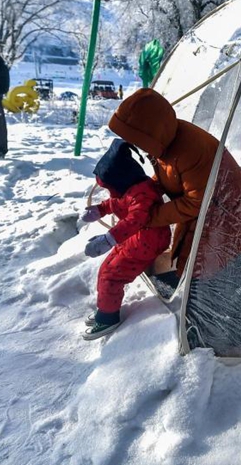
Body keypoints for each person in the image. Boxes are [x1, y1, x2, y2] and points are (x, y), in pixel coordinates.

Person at [107, 88, 241, 283]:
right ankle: (194, 286)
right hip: (204, 201)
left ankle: (205, 297)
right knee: (190, 251)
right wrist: (145, 195)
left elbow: (195, 202)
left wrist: (149, 216)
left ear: (148, 131)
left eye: (135, 138)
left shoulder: (189, 151)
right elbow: (169, 176)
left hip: (222, 203)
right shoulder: (163, 139)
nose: (134, 144)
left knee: (202, 258)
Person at [79, 138, 173, 340]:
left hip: (147, 241)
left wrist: (108, 239)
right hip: (139, 239)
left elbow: (135, 219)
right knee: (107, 267)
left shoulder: (142, 195)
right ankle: (105, 309)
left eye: (110, 187)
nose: (110, 192)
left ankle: (108, 318)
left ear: (121, 180)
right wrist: (100, 210)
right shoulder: (132, 186)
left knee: (112, 274)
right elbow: (117, 201)